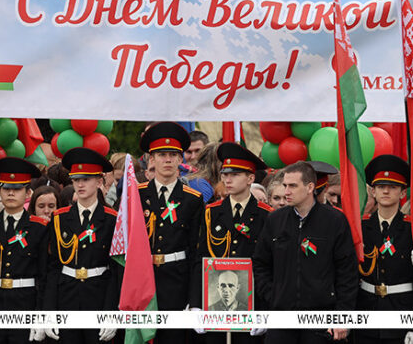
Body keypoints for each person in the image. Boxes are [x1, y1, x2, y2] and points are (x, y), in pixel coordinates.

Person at [253, 161, 357, 343]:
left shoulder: (334, 220)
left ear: (310, 187)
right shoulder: (275, 220)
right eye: (285, 185)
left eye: (293, 186)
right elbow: (261, 263)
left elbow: (347, 272)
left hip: (321, 321)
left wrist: (342, 315)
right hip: (281, 319)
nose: (286, 191)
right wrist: (273, 295)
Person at [198, 142, 271, 342]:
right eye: (225, 174)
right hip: (215, 300)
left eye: (235, 175)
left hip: (253, 301)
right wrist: (196, 303)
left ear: (250, 178)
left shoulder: (266, 215)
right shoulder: (211, 212)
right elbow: (200, 257)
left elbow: (270, 264)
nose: (227, 180)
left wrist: (266, 309)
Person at [45, 147, 118, 343]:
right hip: (66, 296)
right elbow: (53, 267)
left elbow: (115, 270)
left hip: (98, 295)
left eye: (86, 179)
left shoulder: (112, 219)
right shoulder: (59, 218)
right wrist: (49, 310)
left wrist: (111, 312)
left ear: (99, 181)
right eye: (76, 179)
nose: (80, 184)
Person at [138, 122, 203, 344]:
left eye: (173, 155)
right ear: (151, 159)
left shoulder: (193, 199)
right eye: (162, 155)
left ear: (180, 159)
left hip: (177, 282)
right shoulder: (136, 196)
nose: (167, 160)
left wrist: (195, 300)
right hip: (143, 281)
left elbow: (196, 253)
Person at [0, 157, 49, 344]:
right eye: (6, 188)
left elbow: (44, 276)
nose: (10, 193)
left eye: (17, 189)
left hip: (25, 303)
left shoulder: (39, 228)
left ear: (28, 193)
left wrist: (41, 315)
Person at [357, 155, 413, 344]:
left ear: (403, 193)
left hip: (400, 312)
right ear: (373, 191)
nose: (386, 191)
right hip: (367, 311)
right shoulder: (361, 227)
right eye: (380, 186)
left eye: (393, 187)